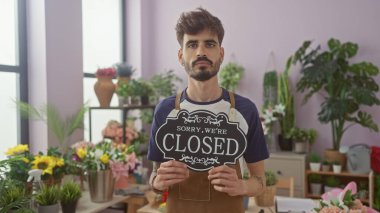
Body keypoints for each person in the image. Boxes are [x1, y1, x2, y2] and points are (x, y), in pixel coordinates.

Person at [147, 7, 269, 213]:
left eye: (209, 44)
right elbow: (154, 177)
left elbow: (260, 181)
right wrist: (157, 183)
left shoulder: (244, 109)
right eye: (192, 44)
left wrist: (242, 186)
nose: (201, 51)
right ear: (181, 55)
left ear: (220, 54)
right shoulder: (165, 110)